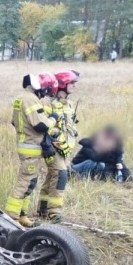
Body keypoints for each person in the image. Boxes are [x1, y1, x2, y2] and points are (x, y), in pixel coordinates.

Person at [4, 73, 58, 227]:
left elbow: (15, 122)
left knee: (31, 182)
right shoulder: (30, 99)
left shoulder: (22, 98)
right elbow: (41, 125)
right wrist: (53, 118)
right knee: (24, 182)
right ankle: (12, 217)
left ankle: (22, 215)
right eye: (47, 91)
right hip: (31, 148)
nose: (46, 95)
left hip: (28, 146)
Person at [37, 70, 80, 222]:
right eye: (72, 83)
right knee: (61, 174)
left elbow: (69, 124)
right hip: (52, 147)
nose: (74, 86)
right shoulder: (48, 103)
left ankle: (42, 209)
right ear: (62, 84)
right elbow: (44, 125)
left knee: (51, 177)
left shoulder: (69, 104)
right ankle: (54, 212)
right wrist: (56, 135)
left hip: (65, 149)